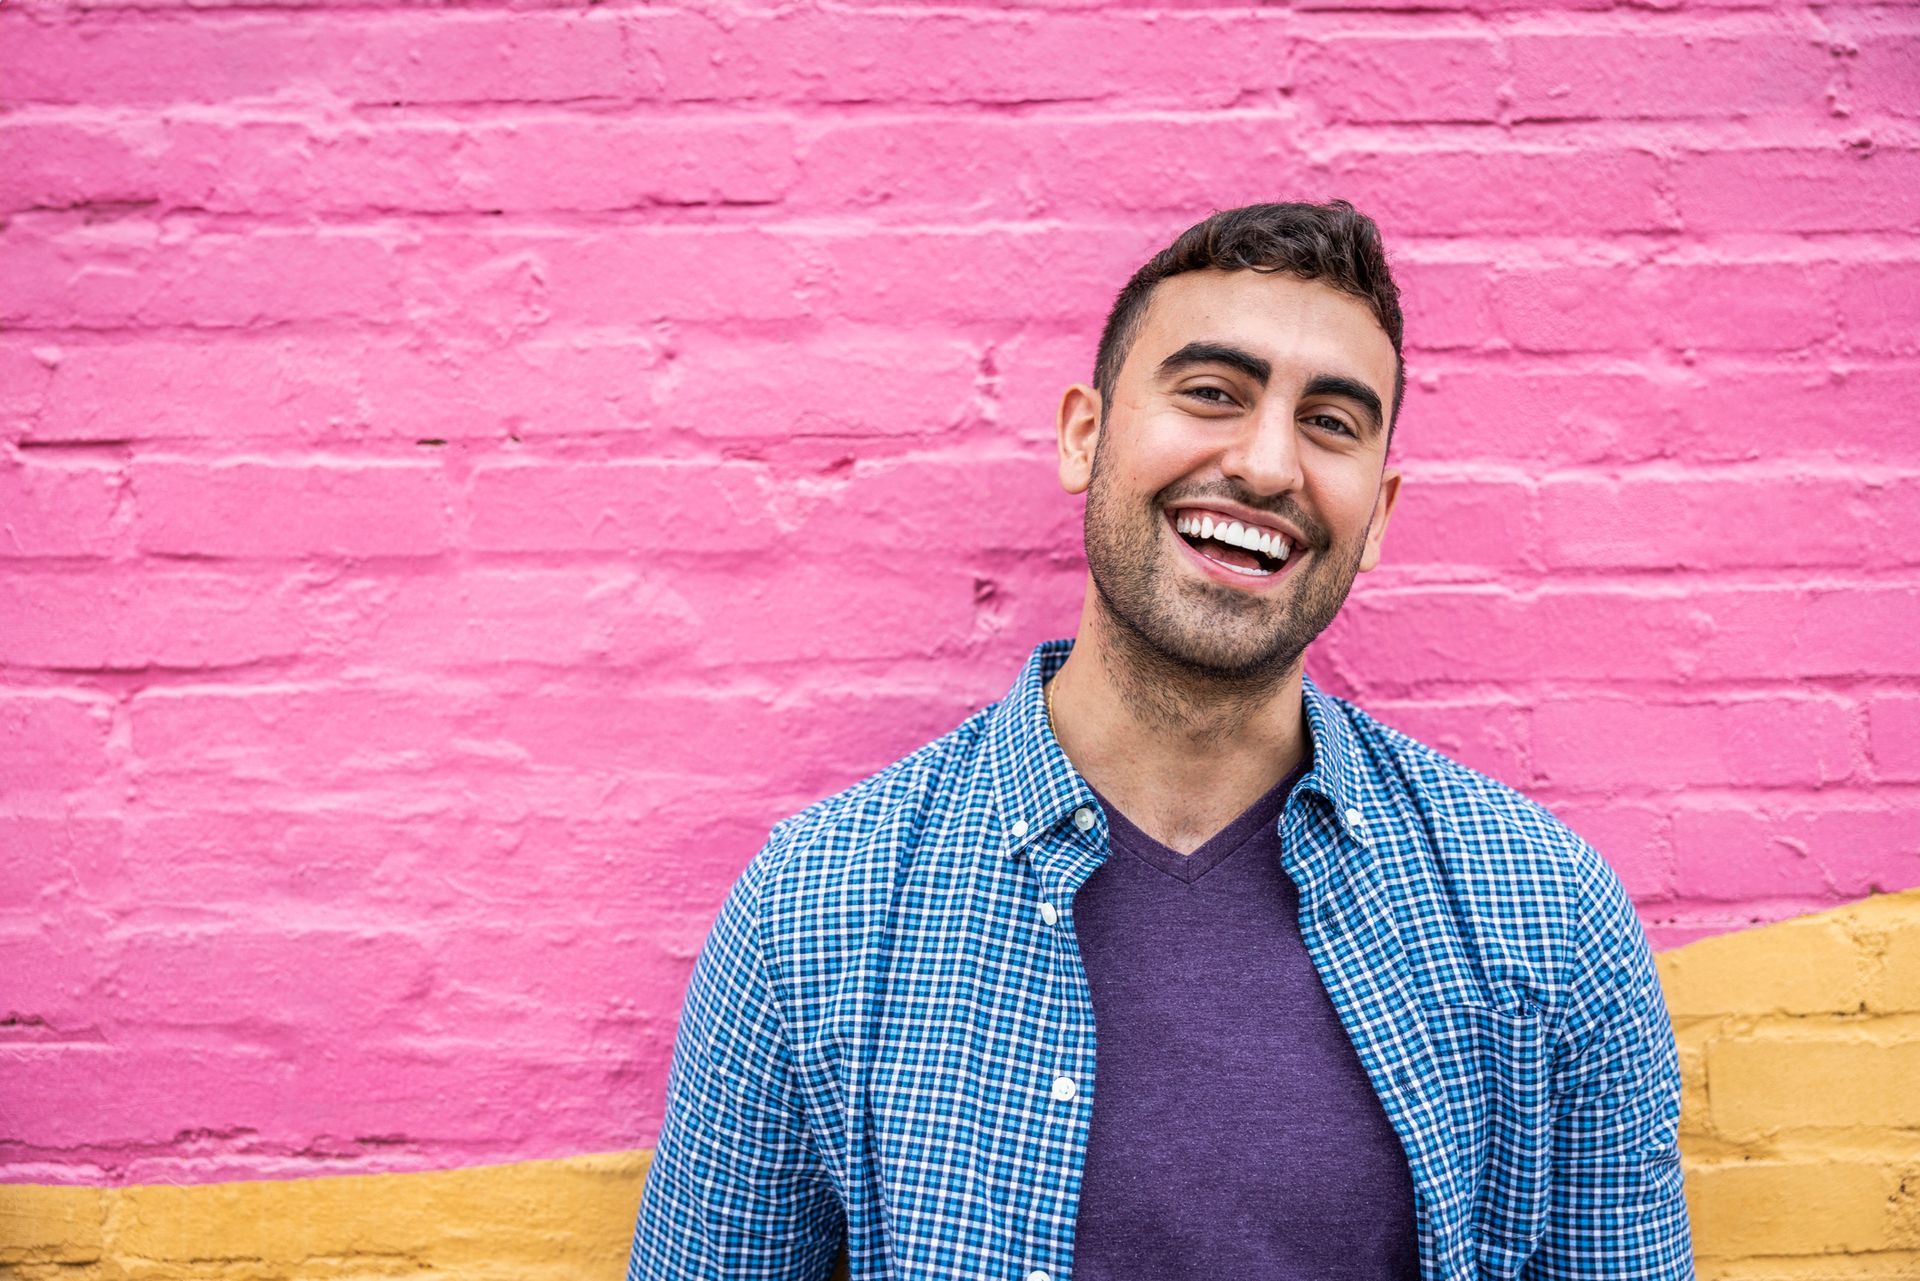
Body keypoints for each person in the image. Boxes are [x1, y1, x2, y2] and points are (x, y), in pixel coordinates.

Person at [627, 201, 1693, 1280]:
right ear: (1084, 435)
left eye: (1331, 422)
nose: (1269, 464)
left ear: (1378, 514)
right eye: (1212, 393)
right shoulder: (820, 910)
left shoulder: (1543, 917)